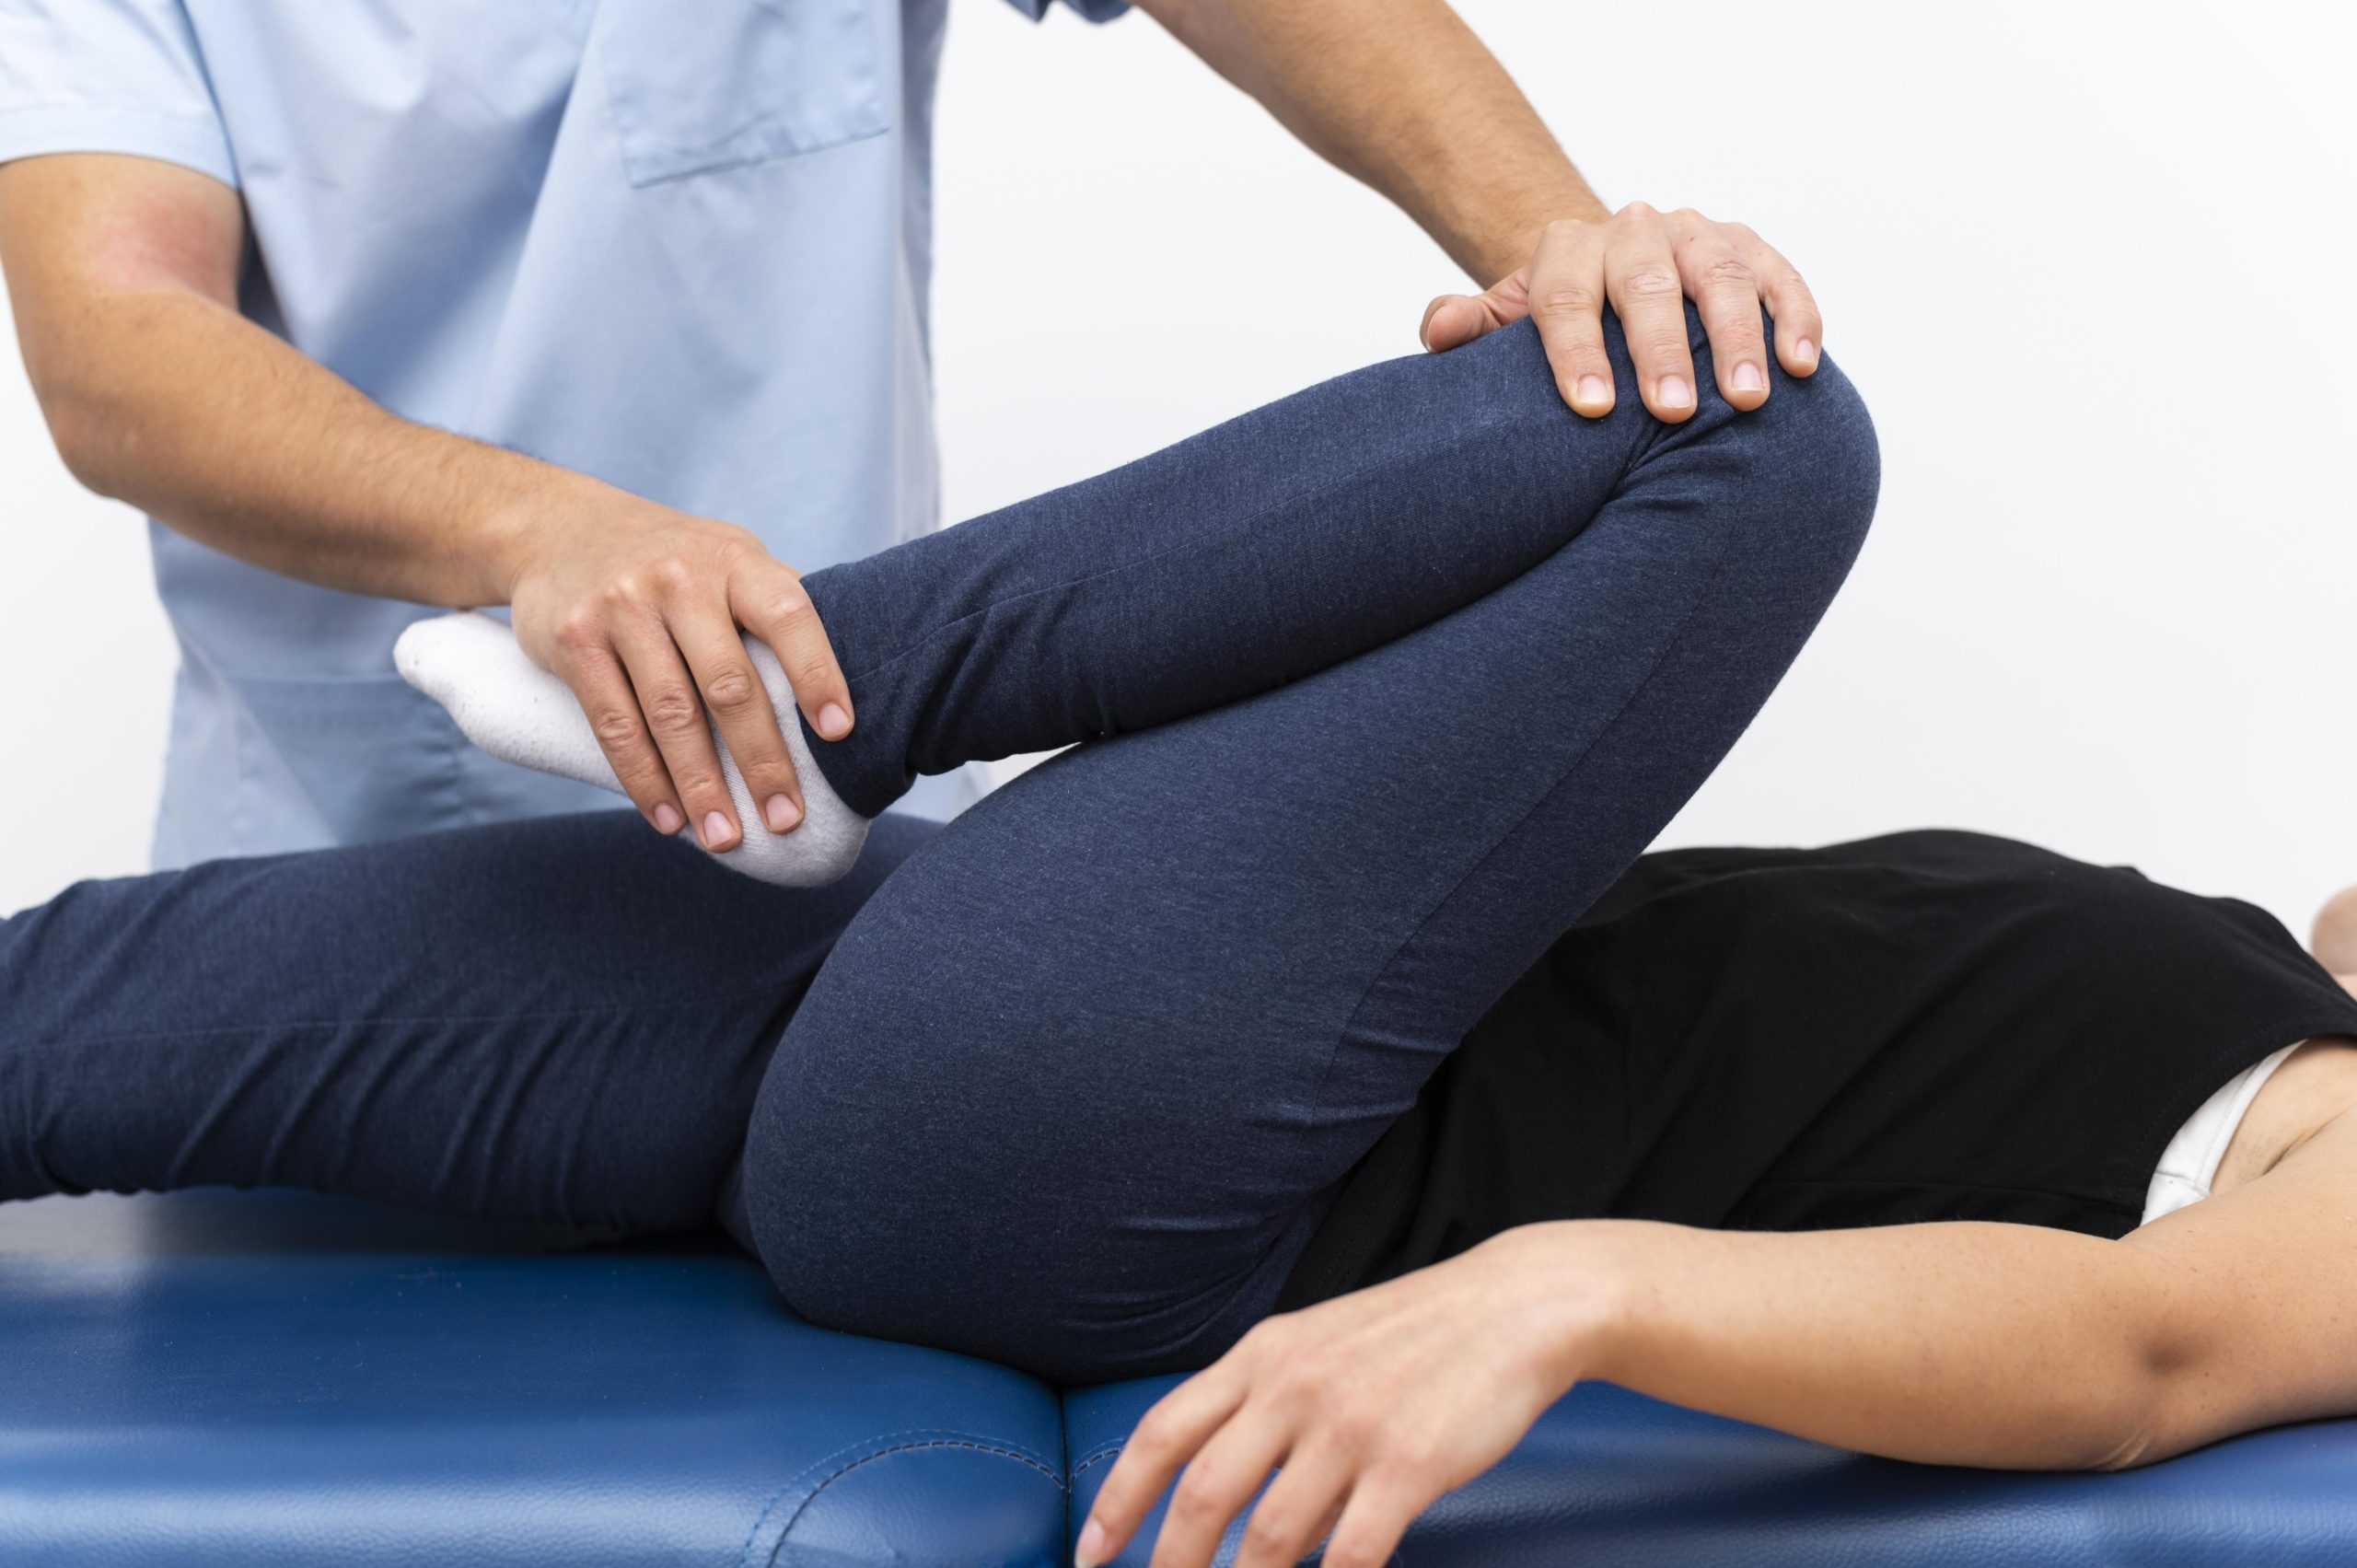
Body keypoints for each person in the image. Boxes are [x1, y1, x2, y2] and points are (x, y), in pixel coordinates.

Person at [16, 314, 2352, 1567]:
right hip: (924, 987)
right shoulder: (2255, 965)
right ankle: (807, 716)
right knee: (75, 1005)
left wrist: (1575, 1289)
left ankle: (796, 674)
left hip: (1116, 1159)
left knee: (1750, 431)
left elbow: (2140, 1355)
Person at [0, 0, 1826, 877]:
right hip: (347, 845)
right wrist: (528, 529)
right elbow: (119, 342)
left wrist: (1552, 244)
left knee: (1748, 440)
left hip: (841, 842)